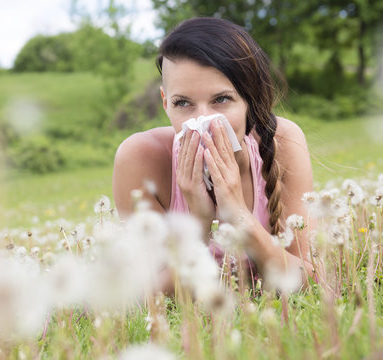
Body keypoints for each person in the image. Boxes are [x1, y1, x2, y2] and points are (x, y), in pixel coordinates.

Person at [112, 17, 319, 290]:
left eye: (221, 99)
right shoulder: (141, 157)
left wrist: (240, 216)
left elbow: (310, 281)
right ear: (165, 103)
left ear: (250, 99)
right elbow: (144, 299)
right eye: (183, 103)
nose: (203, 120)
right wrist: (198, 228)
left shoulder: (282, 141)